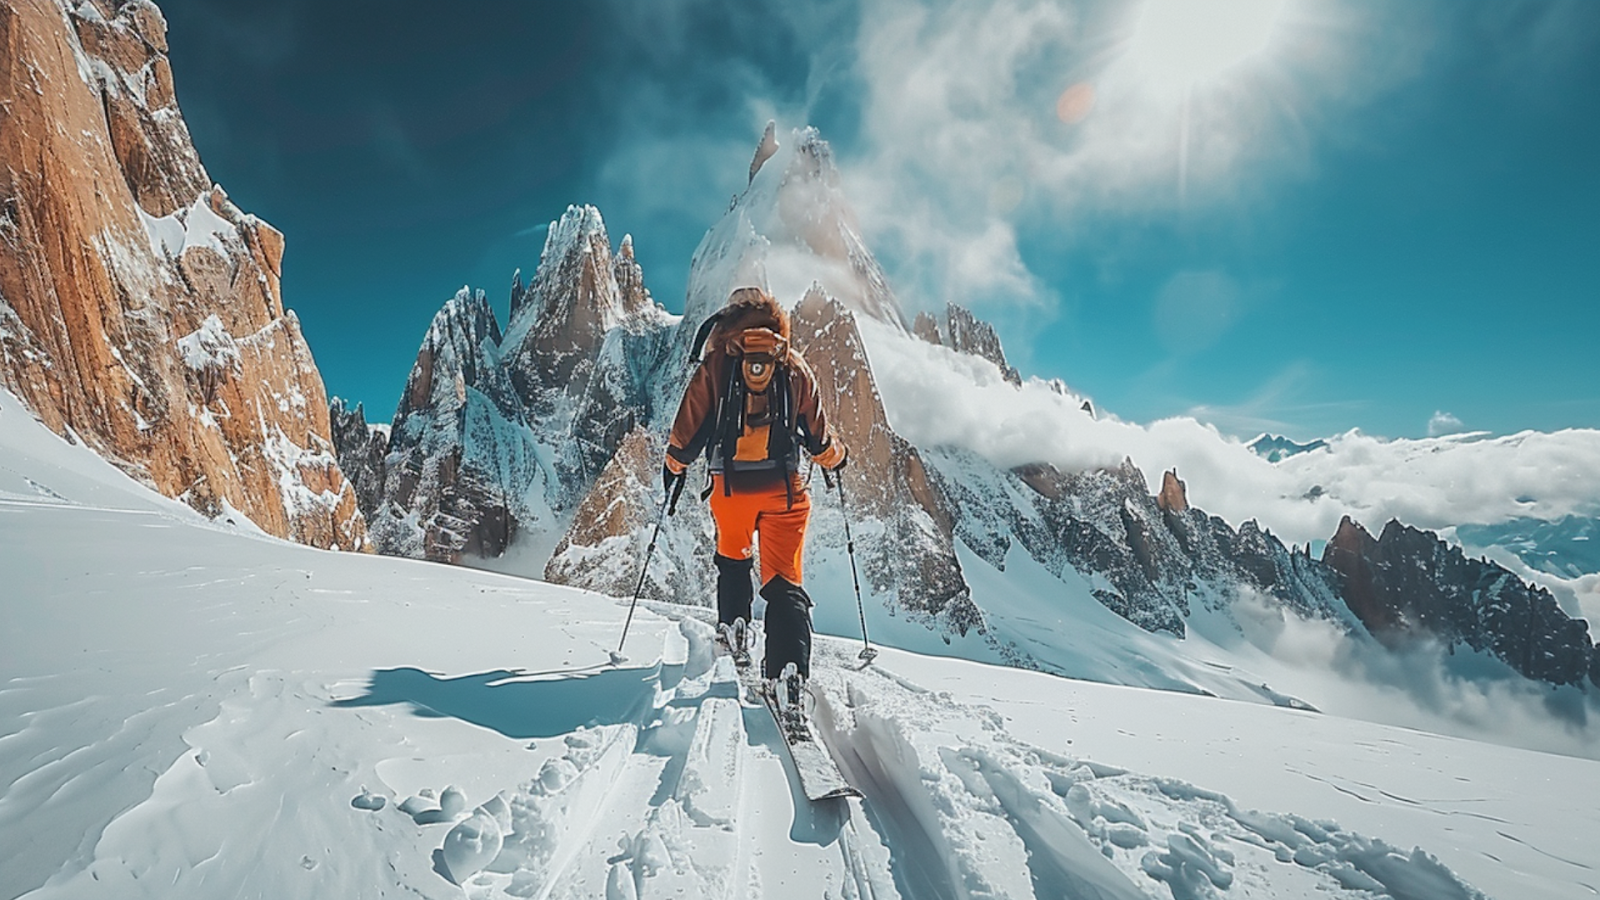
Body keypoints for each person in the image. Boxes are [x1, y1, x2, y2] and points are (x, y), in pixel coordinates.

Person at [662, 286, 848, 692]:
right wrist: (838, 456)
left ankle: (734, 627)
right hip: (783, 490)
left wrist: (674, 466)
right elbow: (818, 439)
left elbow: (688, 428)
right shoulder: (793, 365)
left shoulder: (716, 363)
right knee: (784, 580)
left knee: (733, 558)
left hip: (730, 490)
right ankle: (789, 672)